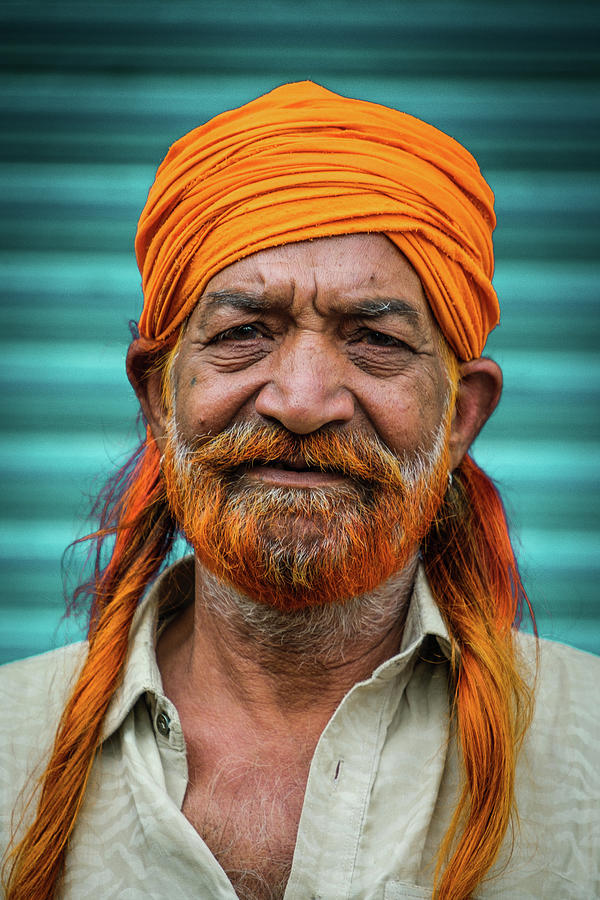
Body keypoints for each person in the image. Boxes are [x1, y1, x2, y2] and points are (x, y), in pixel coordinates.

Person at [0, 81, 598, 900]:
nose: (304, 401)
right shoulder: (10, 743)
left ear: (460, 416)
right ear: (156, 395)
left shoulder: (587, 753)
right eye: (245, 333)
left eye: (377, 340)